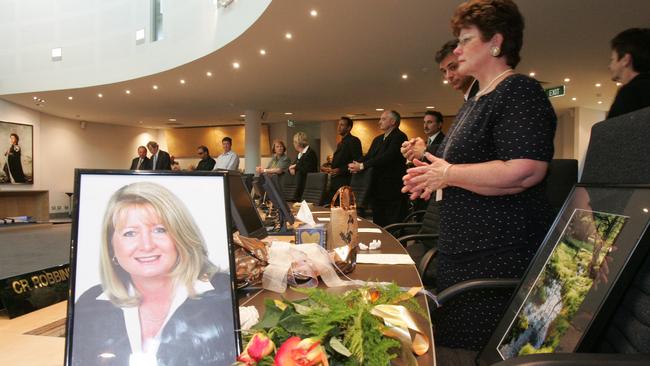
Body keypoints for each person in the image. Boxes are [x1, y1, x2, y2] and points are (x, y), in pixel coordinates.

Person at [401, 0, 556, 354]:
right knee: (453, 344)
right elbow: (462, 169)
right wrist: (433, 175)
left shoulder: (518, 91)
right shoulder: (475, 101)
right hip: (465, 253)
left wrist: (448, 172)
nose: (457, 49)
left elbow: (526, 169)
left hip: (495, 257)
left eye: (466, 39)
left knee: (471, 350)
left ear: (496, 42)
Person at [72, 182, 236, 365]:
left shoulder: (224, 295)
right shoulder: (89, 306)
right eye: (130, 233)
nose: (147, 245)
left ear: (180, 235)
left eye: (159, 230)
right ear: (111, 246)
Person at [401, 40, 478, 162]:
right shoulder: (470, 100)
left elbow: (470, 150)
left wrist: (425, 152)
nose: (448, 76)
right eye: (444, 71)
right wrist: (423, 150)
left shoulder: (485, 95)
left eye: (453, 67)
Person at [349, 110, 408, 227]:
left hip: (393, 189)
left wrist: (362, 166)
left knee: (393, 222)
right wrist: (357, 164)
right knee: (379, 221)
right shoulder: (378, 139)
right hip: (377, 188)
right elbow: (369, 156)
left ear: (393, 122)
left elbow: (387, 157)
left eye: (383, 119)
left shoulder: (400, 136)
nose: (379, 122)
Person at [607, 27, 650, 118]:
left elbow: (615, 131)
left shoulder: (630, 93)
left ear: (626, 60)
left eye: (612, 59)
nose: (609, 66)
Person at [327, 117, 362, 197]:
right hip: (336, 180)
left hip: (346, 180)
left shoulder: (354, 140)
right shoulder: (341, 143)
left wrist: (340, 170)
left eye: (342, 125)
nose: (339, 127)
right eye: (338, 124)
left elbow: (357, 161)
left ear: (349, 128)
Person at [289, 132, 318, 201]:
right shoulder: (300, 154)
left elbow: (307, 169)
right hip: (300, 185)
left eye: (294, 142)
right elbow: (293, 166)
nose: (293, 144)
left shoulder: (310, 153)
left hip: (308, 186)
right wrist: (292, 168)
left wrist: (295, 167)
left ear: (297, 143)